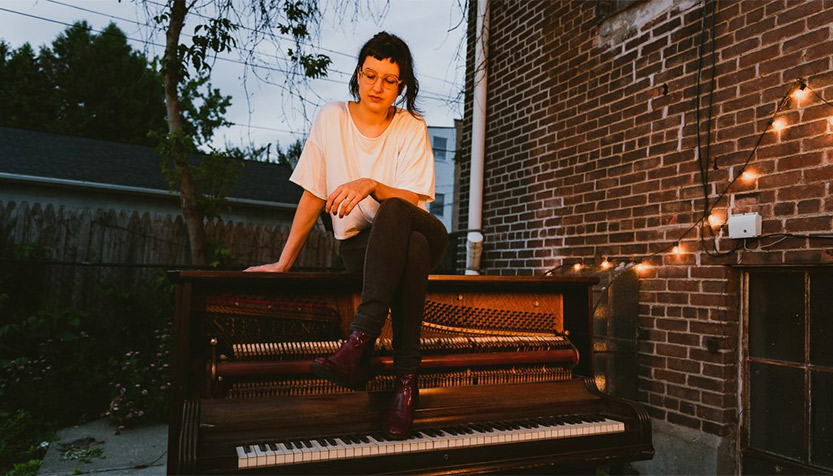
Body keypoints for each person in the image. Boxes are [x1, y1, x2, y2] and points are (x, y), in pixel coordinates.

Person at [245, 31, 448, 440]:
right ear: (358, 75)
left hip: (423, 229)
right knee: (412, 249)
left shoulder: (411, 126)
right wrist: (285, 261)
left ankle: (357, 344)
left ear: (401, 86)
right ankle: (406, 386)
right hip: (365, 247)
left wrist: (371, 182)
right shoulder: (332, 117)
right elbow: (312, 193)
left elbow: (411, 197)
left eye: (389, 80)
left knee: (397, 213)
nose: (377, 86)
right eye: (370, 75)